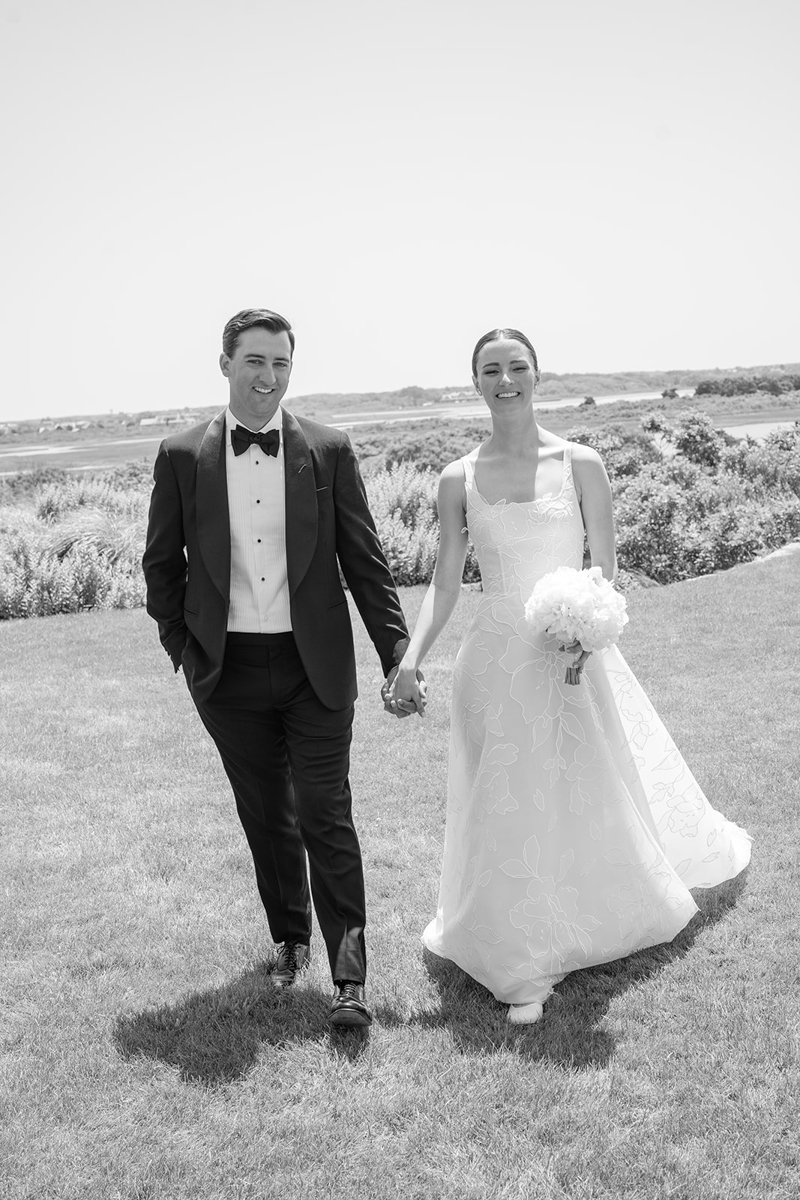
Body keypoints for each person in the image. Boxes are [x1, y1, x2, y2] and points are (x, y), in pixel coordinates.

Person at [386, 328, 751, 1024]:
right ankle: (516, 956)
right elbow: (444, 580)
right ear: (475, 383)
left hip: (567, 652)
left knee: (580, 786)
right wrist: (409, 658)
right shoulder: (457, 477)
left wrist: (587, 627)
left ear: (536, 375)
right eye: (490, 370)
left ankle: (583, 915)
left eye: (516, 367)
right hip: (492, 661)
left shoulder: (581, 461)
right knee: (504, 799)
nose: (505, 380)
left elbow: (605, 567)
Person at [142, 307, 421, 1028]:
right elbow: (160, 566)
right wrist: (185, 650)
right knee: (267, 814)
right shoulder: (179, 455)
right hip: (226, 673)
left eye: (281, 364)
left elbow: (366, 563)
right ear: (226, 363)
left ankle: (350, 980)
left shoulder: (327, 449)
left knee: (326, 813)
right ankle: (290, 940)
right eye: (256, 361)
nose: (269, 376)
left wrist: (398, 654)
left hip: (314, 668)